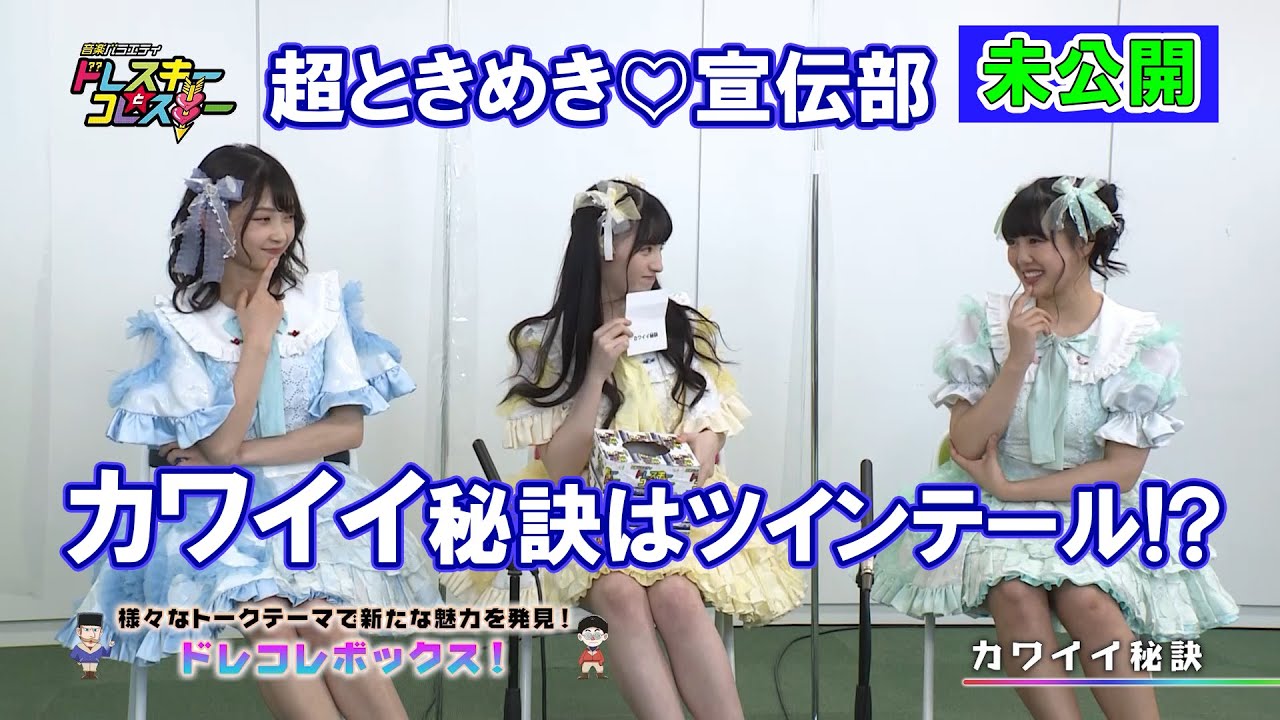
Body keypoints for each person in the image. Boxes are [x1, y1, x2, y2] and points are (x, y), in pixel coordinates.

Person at [55, 143, 440, 720]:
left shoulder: (321, 303)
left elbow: (345, 431)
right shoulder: (178, 325)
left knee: (330, 628)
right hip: (215, 510)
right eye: (261, 218)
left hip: (311, 501)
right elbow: (220, 448)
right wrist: (256, 338)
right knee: (271, 623)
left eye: (287, 216)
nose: (280, 233)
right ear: (214, 222)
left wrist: (235, 453)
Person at [868, 176, 1239, 719]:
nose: (1021, 257)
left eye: (1036, 241)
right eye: (1013, 241)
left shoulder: (1134, 339)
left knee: (1088, 599)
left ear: (1084, 244)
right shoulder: (989, 324)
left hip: (1086, 505)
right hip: (988, 507)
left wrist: (1014, 490)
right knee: (1014, 591)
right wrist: (1018, 358)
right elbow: (966, 442)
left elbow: (1120, 473)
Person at [441, 177, 806, 719]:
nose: (658, 264)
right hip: (583, 512)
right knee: (618, 594)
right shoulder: (545, 342)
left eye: (660, 249)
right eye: (646, 248)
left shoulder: (683, 323)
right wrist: (595, 373)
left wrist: (704, 446)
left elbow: (715, 417)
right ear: (603, 250)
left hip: (675, 508)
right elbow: (560, 466)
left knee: (678, 597)